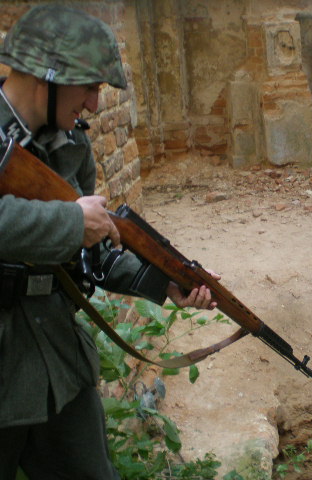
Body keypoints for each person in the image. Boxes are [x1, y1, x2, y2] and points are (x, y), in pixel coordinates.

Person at [0, 5, 218, 479]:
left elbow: (91, 254)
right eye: (89, 87)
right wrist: (68, 222)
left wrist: (166, 283)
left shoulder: (71, 145)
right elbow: (70, 226)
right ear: (49, 75)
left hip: (56, 358)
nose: (95, 105)